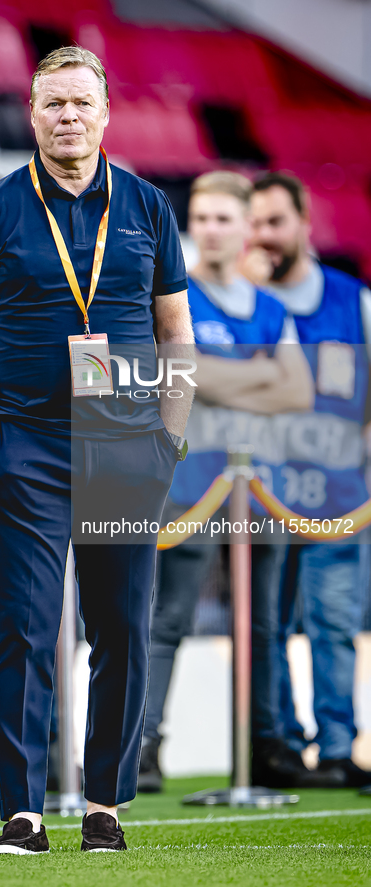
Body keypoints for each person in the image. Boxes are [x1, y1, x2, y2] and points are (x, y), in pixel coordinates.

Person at [0, 46, 194, 854]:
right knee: (21, 624)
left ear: (105, 113)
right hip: (29, 443)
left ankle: (105, 809)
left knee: (119, 623)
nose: (68, 117)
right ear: (32, 113)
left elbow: (175, 329)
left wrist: (169, 435)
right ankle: (22, 811)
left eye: (81, 103)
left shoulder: (149, 205)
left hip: (124, 440)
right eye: (53, 104)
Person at [138, 171, 317, 792]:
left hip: (260, 487)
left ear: (246, 227)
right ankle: (143, 746)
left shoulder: (269, 307)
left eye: (223, 218)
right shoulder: (172, 291)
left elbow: (299, 390)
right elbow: (174, 372)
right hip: (189, 483)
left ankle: (265, 746)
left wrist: (212, 375)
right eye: (203, 217)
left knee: (264, 625)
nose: (211, 229)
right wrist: (256, 375)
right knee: (168, 619)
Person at [248, 171, 371, 787]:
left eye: (275, 221)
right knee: (267, 627)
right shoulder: (240, 306)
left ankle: (342, 747)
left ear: (304, 224)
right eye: (255, 224)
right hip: (260, 501)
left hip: (343, 501)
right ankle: (281, 747)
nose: (263, 236)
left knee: (334, 625)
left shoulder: (356, 302)